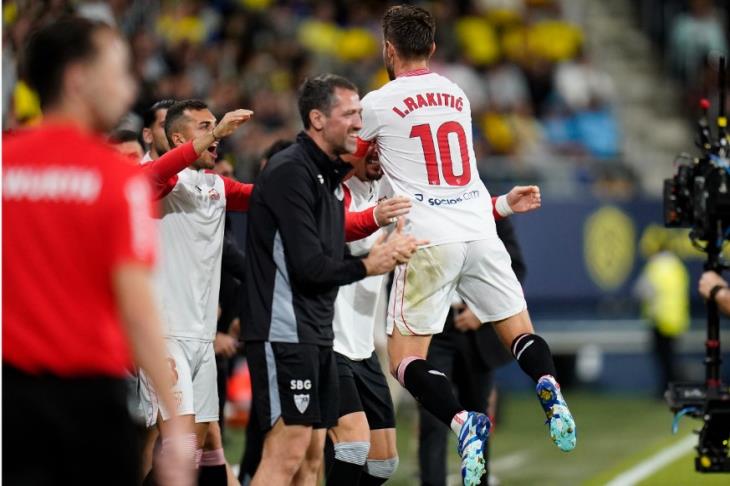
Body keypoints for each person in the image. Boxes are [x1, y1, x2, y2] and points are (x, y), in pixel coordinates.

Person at [351, 6, 576, 484]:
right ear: (432, 48)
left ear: (388, 49)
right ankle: (549, 385)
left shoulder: (376, 102)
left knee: (405, 360)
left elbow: (354, 163)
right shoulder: (456, 93)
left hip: (430, 239)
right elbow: (451, 174)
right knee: (518, 332)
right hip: (480, 228)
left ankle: (462, 421)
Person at [3, 17, 192, 486]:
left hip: (12, 400)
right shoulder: (115, 179)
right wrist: (176, 417)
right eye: (119, 70)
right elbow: (135, 303)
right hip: (91, 402)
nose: (129, 88)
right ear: (77, 79)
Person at [242, 73, 423, 486]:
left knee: (310, 458)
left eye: (360, 113)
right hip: (283, 329)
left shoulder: (320, 174)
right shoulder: (292, 172)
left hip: (315, 333)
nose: (360, 124)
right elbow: (311, 265)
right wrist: (369, 264)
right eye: (350, 114)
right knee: (287, 453)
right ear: (318, 118)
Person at [138, 99, 255, 486]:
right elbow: (157, 175)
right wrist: (218, 131)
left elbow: (260, 198)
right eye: (204, 127)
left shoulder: (215, 185)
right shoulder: (156, 178)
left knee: (194, 448)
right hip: (164, 335)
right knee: (180, 448)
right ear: (176, 138)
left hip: (202, 338)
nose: (216, 136)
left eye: (214, 127)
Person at [418, 219, 526, 486]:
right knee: (433, 417)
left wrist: (481, 310)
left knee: (478, 415)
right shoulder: (427, 208)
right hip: (435, 326)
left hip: (476, 332)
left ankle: (479, 482)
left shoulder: (489, 210)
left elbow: (513, 268)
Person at [326, 148, 401, 486]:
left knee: (384, 464)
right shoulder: (334, 191)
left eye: (380, 150)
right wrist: (377, 223)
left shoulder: (387, 192)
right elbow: (335, 230)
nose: (375, 156)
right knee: (353, 447)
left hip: (362, 345)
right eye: (367, 149)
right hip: (330, 340)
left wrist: (500, 205)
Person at [635, 246, 690, 397]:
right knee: (672, 358)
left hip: (659, 318)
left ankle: (665, 390)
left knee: (663, 359)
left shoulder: (655, 266)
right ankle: (673, 389)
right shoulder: (678, 267)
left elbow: (642, 291)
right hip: (676, 319)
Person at [142, 98, 175, 163]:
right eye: (165, 126)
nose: (174, 132)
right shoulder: (136, 172)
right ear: (148, 135)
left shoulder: (196, 170)